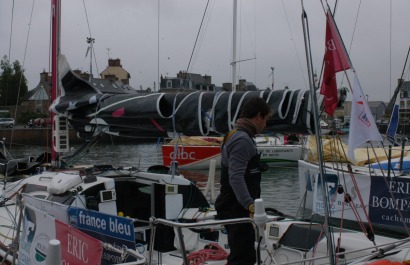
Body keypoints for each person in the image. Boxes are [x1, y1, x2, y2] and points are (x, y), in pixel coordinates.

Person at [215, 97, 272, 265]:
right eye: (266, 120)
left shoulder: (235, 135)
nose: (266, 125)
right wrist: (250, 206)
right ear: (259, 116)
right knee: (243, 257)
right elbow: (236, 176)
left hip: (233, 204)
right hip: (237, 207)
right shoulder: (242, 140)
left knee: (244, 253)